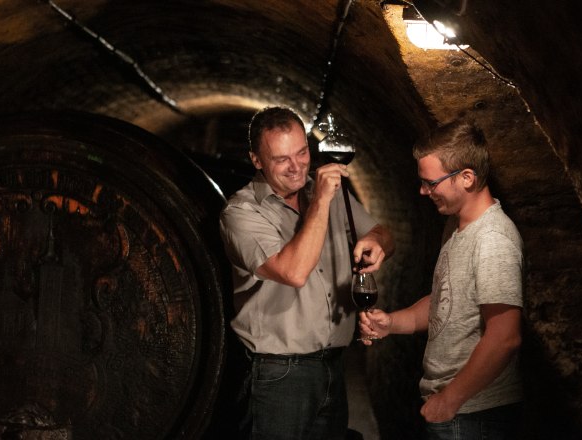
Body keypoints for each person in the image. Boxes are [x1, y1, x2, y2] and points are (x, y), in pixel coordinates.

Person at [219, 106, 394, 440]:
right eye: (282, 158)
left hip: (332, 364)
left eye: (301, 153)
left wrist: (375, 240)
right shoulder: (241, 213)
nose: (297, 166)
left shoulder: (325, 192)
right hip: (278, 374)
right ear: (256, 159)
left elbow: (384, 232)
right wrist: (322, 202)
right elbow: (294, 271)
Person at [359, 119, 524, 440]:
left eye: (431, 182)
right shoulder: (456, 226)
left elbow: (505, 336)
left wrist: (450, 399)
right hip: (457, 411)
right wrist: (391, 323)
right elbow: (444, 300)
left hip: (476, 414)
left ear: (466, 178)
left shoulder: (493, 239)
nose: (423, 191)